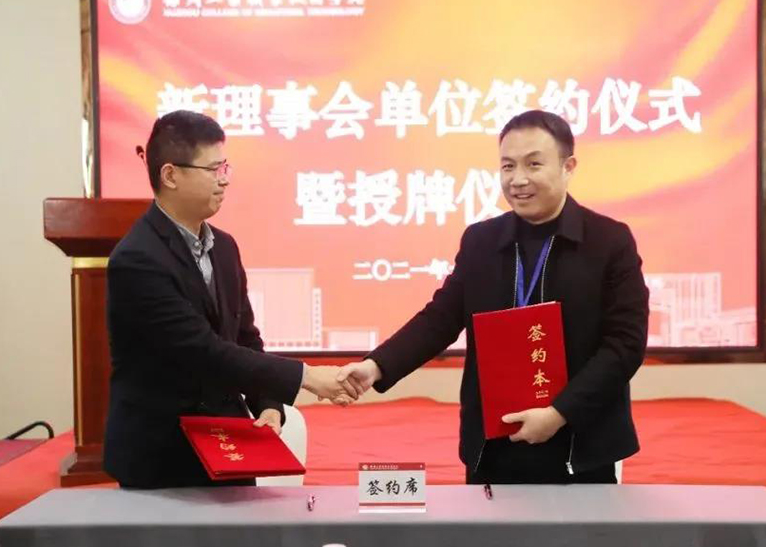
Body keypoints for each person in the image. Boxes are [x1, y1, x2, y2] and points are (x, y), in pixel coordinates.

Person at [339, 110, 649, 484]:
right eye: (507, 166)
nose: (518, 179)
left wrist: (559, 413)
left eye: (533, 164)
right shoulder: (481, 241)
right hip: (493, 444)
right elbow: (440, 318)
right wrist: (376, 366)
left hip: (578, 444)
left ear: (568, 166)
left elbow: (624, 345)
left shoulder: (608, 241)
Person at [104, 110, 359, 489]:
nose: (224, 180)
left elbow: (244, 338)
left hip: (229, 447)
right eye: (213, 169)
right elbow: (202, 351)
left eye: (225, 167)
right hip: (162, 458)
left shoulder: (224, 247)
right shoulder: (137, 259)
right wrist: (308, 377)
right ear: (170, 175)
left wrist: (268, 405)